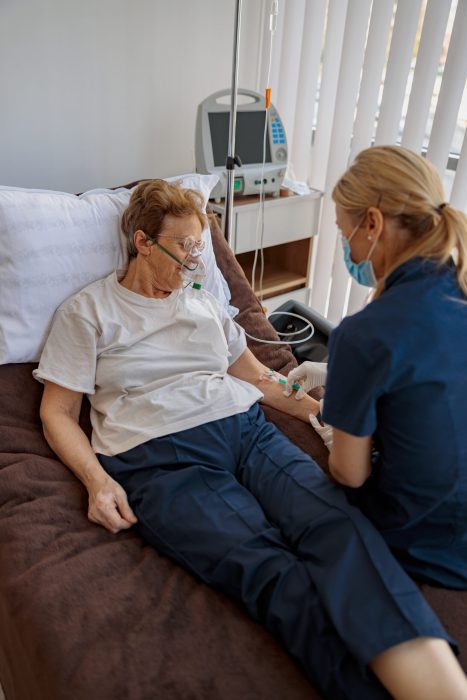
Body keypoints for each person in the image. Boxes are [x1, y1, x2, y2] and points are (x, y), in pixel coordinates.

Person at [34, 179, 467, 700]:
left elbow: (261, 380)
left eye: (202, 246)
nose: (197, 262)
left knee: (339, 526)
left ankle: (437, 683)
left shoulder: (206, 305)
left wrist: (323, 418)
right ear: (143, 243)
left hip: (246, 432)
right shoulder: (88, 312)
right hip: (160, 457)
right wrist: (97, 481)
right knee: (269, 568)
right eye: (185, 248)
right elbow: (58, 412)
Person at [286, 145, 467, 591]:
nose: (346, 246)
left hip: (424, 545)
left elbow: (350, 473)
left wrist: (336, 432)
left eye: (344, 231)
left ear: (372, 223)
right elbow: (434, 379)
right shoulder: (458, 290)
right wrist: (341, 378)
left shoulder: (364, 334)